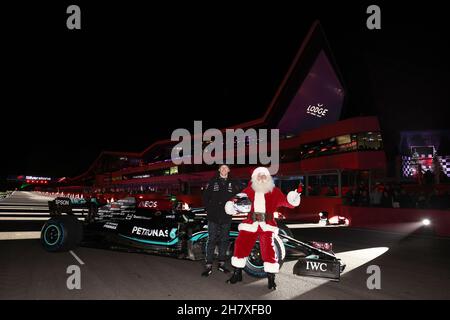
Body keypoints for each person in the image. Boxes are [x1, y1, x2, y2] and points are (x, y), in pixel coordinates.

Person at [224, 167, 301, 290]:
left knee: (268, 250)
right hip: (250, 223)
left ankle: (271, 278)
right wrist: (231, 206)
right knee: (240, 245)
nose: (261, 178)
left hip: (267, 224)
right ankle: (237, 273)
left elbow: (287, 202)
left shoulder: (274, 191)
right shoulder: (248, 191)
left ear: (268, 178)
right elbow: (236, 200)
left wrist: (293, 199)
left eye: (264, 175)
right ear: (254, 178)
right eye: (259, 176)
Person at [201, 164, 241, 277]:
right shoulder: (212, 182)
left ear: (228, 170)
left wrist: (235, 209)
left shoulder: (233, 183)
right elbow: (205, 197)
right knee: (212, 239)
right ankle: (208, 265)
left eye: (226, 168)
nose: (223, 169)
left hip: (226, 216)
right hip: (213, 216)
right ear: (219, 170)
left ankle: (221, 264)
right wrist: (209, 210)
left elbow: (238, 196)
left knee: (224, 240)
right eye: (221, 168)